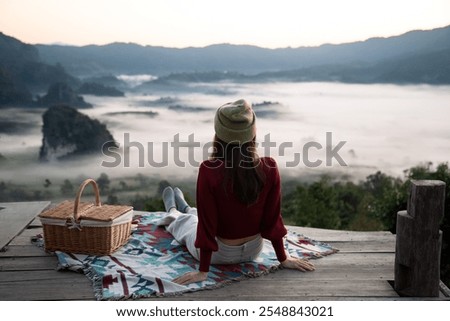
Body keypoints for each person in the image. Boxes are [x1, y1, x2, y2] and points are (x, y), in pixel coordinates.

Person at [158, 99, 314, 285]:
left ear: (219, 135)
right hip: (254, 251)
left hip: (218, 253)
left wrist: (203, 271)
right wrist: (283, 258)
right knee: (196, 218)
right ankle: (186, 207)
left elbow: (207, 227)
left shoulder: (209, 170)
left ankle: (173, 212)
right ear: (252, 134)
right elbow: (272, 219)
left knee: (188, 224)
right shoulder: (269, 167)